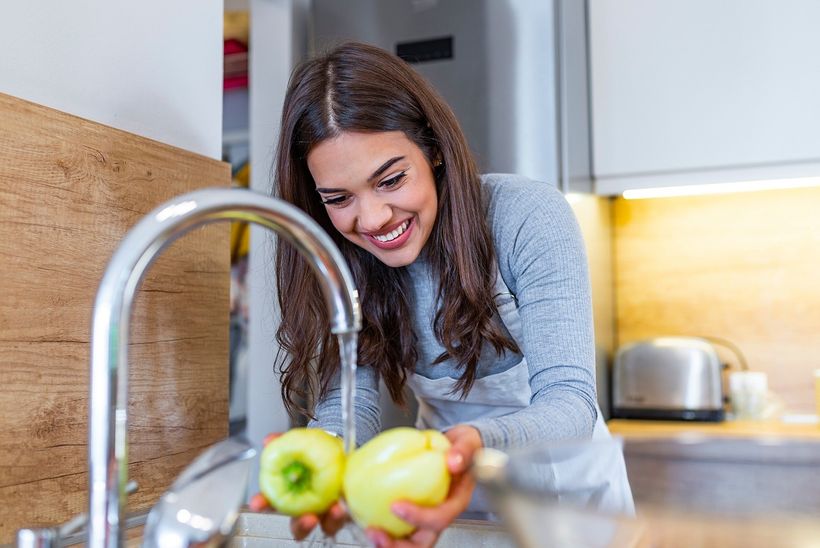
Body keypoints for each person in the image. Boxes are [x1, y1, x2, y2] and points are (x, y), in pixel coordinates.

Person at [250, 41, 633, 547]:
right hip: (444, 491)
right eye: (339, 199)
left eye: (390, 179)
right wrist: (323, 454)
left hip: (571, 496)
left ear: (431, 147)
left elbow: (570, 401)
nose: (372, 219)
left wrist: (472, 446)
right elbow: (352, 406)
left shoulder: (524, 216)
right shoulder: (347, 259)